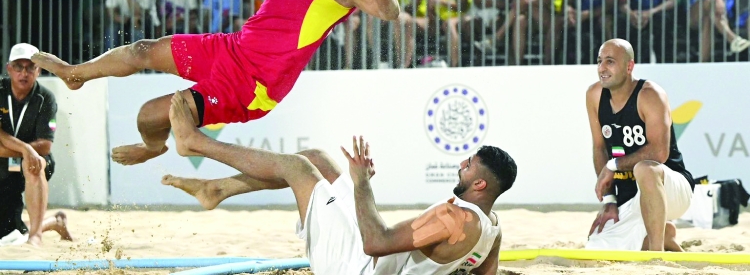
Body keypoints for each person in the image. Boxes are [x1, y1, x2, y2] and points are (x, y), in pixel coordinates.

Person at [32, 0, 401, 166]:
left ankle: (153, 146)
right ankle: (75, 73)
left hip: (252, 83)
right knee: (144, 49)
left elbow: (390, 12)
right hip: (231, 48)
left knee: (147, 117)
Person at [163, 93, 514, 275]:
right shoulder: (492, 228)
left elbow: (375, 242)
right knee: (318, 159)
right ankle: (217, 190)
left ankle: (196, 143)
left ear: (480, 183)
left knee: (297, 167)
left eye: (468, 166)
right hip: (372, 266)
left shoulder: (453, 218)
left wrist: (362, 184)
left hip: (355, 268)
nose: (460, 165)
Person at [585, 39, 693, 252]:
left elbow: (659, 153)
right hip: (632, 195)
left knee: (645, 168)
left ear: (629, 66)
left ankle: (656, 254)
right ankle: (665, 235)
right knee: (597, 247)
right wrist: (609, 200)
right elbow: (599, 148)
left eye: (610, 62)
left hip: (672, 188)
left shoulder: (650, 94)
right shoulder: (594, 95)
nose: (602, 68)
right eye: (599, 61)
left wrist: (613, 166)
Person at [0, 44, 72, 246]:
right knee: (9, 233)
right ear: (9, 68)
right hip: (5, 165)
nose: (24, 72)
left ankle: (36, 237)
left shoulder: (46, 98)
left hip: (31, 163)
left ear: (39, 70)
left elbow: (45, 145)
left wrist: (27, 153)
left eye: (30, 67)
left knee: (35, 163)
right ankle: (54, 222)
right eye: (18, 66)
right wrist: (25, 148)